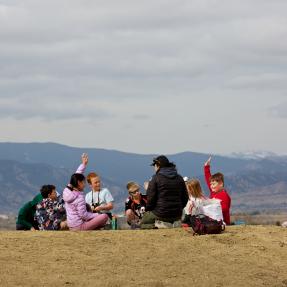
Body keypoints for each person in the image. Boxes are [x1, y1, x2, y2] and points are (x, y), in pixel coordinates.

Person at [63, 153, 108, 231]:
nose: (85, 184)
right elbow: (84, 215)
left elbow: (76, 175)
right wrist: (97, 214)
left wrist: (83, 164)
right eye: (84, 182)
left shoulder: (67, 190)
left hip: (71, 225)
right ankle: (94, 228)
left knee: (87, 206)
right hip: (79, 226)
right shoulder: (79, 197)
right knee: (104, 216)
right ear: (79, 183)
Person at [141, 155, 188, 229]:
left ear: (158, 166)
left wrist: (149, 210)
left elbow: (150, 199)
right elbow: (185, 197)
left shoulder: (156, 178)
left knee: (143, 223)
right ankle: (172, 224)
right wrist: (179, 208)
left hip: (161, 214)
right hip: (177, 214)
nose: (154, 168)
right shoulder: (179, 178)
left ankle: (158, 226)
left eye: (154, 166)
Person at [204, 156, 231, 225]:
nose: (211, 186)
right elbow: (208, 179)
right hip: (215, 221)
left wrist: (209, 209)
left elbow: (224, 209)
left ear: (221, 184)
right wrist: (206, 167)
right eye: (211, 184)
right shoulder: (214, 191)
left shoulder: (224, 195)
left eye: (213, 184)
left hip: (223, 223)